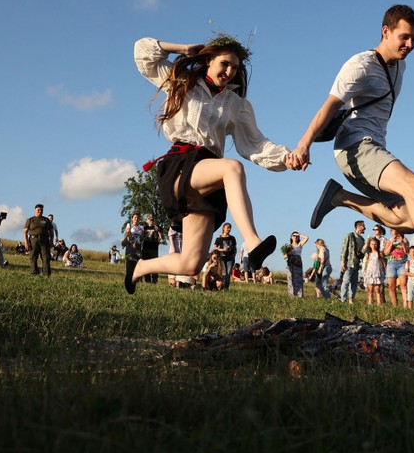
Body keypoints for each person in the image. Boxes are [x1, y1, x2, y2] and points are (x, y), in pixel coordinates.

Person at [292, 5, 414, 286]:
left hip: (374, 147)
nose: (410, 45)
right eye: (404, 37)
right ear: (386, 31)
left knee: (408, 221)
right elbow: (329, 105)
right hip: (355, 147)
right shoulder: (360, 65)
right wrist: (304, 145)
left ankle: (339, 197)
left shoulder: (401, 66)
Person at [125, 35, 298, 294]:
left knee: (191, 264)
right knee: (233, 168)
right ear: (208, 60)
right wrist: (182, 49)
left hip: (209, 176)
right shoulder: (181, 81)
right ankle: (253, 244)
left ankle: (139, 267)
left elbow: (255, 144)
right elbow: (142, 52)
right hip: (181, 165)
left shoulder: (237, 105)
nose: (229, 72)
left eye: (235, 68)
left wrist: (286, 157)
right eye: (225, 64)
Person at [339, 220, 366, 304]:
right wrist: (342, 261)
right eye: (363, 226)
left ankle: (351, 298)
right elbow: (344, 248)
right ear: (358, 226)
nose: (365, 228)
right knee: (346, 281)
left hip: (357, 263)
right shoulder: (349, 236)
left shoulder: (362, 239)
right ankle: (343, 299)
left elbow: (362, 252)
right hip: (349, 262)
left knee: (354, 282)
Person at [23, 204, 53, 276]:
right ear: (35, 210)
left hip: (44, 240)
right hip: (33, 239)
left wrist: (51, 241)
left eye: (41, 210)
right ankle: (34, 272)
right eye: (38, 210)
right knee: (33, 257)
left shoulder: (46, 220)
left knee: (46, 257)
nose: (40, 211)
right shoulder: (30, 220)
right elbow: (25, 232)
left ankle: (46, 273)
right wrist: (26, 242)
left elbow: (51, 231)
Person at [384, 228, 410, 307]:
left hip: (402, 263)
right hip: (391, 263)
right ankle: (395, 305)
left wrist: (402, 242)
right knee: (391, 286)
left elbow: (407, 252)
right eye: (392, 230)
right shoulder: (389, 240)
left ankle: (405, 305)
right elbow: (386, 253)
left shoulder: (405, 240)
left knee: (403, 284)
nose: (394, 232)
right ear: (391, 232)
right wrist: (391, 244)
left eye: (396, 230)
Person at [284, 232, 308, 298]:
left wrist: (299, 234)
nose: (295, 237)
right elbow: (284, 257)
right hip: (291, 261)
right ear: (291, 237)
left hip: (298, 261)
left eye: (296, 236)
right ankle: (291, 296)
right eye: (294, 236)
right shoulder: (288, 246)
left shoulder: (299, 244)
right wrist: (289, 253)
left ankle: (299, 296)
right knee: (291, 278)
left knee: (298, 278)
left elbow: (307, 238)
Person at [213, 222, 237, 290]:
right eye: (227, 228)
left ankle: (226, 288)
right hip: (221, 258)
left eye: (230, 228)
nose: (229, 229)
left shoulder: (232, 238)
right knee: (224, 273)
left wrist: (234, 255)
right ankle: (221, 287)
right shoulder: (219, 238)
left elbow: (235, 248)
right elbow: (215, 247)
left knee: (228, 273)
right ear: (223, 228)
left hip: (230, 258)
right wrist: (222, 249)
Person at [362, 236, 385, 305]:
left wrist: (384, 271)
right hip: (369, 273)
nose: (374, 246)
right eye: (372, 244)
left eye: (375, 244)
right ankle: (370, 303)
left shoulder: (379, 253)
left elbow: (383, 263)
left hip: (377, 273)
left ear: (377, 245)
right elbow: (366, 263)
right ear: (370, 245)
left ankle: (379, 303)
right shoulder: (368, 254)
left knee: (377, 289)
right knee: (370, 289)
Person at [141, 214, 162, 284]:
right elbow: (141, 237)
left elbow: (162, 238)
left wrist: (158, 231)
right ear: (147, 220)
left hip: (154, 248)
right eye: (149, 219)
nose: (151, 221)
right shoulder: (144, 228)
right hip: (146, 247)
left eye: (152, 220)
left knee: (155, 264)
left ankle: (155, 279)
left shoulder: (158, 227)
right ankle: (147, 279)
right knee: (146, 264)